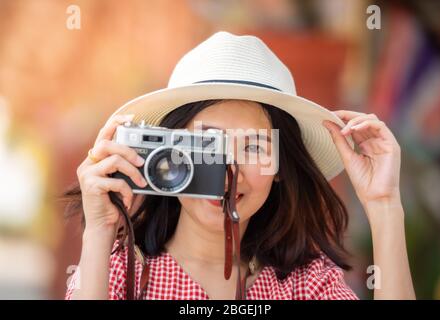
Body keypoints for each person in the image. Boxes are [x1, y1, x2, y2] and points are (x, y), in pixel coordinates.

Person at [64, 31, 415, 300]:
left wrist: (385, 206)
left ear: (279, 167)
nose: (227, 170)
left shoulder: (306, 284)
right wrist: (97, 233)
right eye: (207, 143)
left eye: (253, 146)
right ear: (170, 150)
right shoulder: (116, 272)